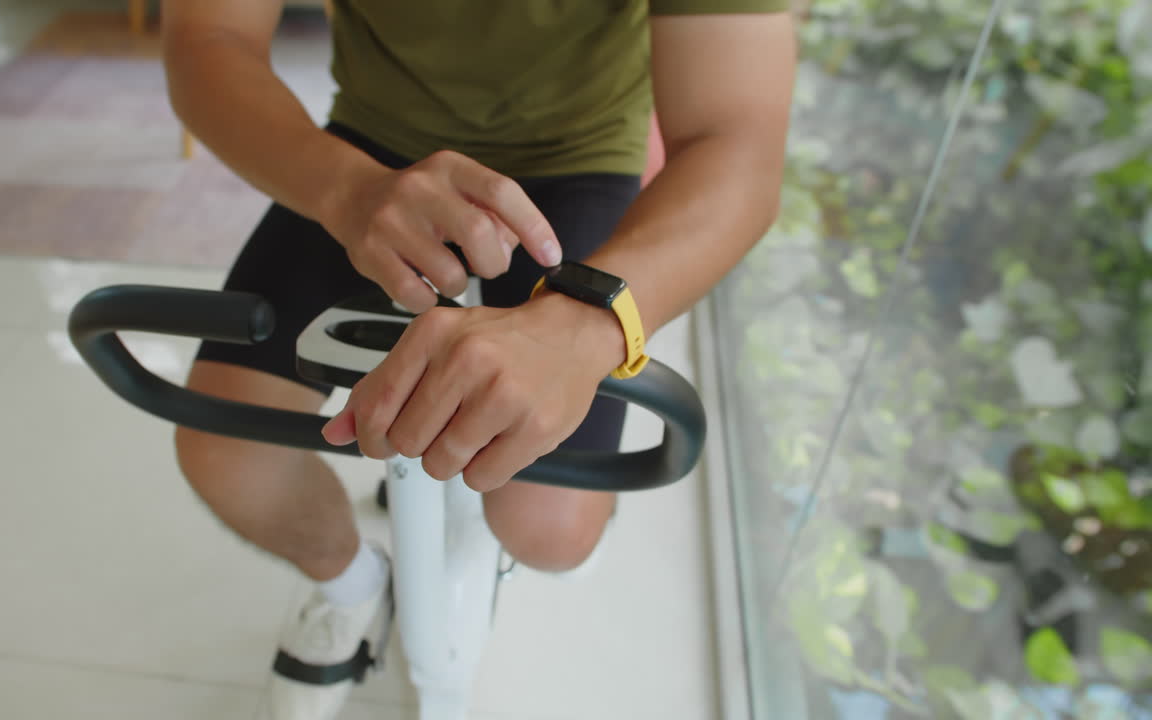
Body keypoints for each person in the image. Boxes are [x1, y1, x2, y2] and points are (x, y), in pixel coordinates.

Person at [162, 0, 794, 717]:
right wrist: (346, 188)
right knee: (226, 455)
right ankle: (352, 586)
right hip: (372, 147)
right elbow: (208, 38)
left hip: (580, 157)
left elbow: (738, 140)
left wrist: (585, 326)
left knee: (551, 531)